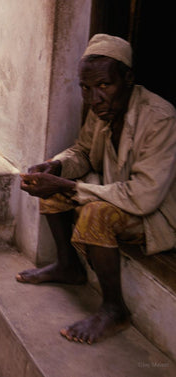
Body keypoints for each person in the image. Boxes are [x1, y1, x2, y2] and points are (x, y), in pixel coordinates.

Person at [17, 33, 176, 345]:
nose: (94, 97)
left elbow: (144, 196)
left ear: (128, 79)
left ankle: (115, 308)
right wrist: (57, 167)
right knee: (51, 185)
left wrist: (68, 184)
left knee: (95, 214)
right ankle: (68, 265)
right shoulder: (101, 110)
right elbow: (84, 152)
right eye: (86, 88)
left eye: (104, 85)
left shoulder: (159, 118)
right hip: (118, 194)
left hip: (155, 215)